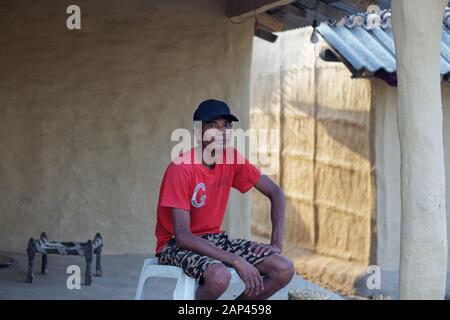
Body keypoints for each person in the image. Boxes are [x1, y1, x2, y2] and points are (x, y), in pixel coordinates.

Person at [155, 99, 295, 300]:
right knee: (219, 277)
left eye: (226, 126)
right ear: (198, 131)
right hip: (174, 244)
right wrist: (236, 261)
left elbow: (276, 193)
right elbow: (183, 236)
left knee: (283, 268)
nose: (221, 132)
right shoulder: (181, 168)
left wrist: (276, 244)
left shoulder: (231, 159)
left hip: (215, 239)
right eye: (213, 125)